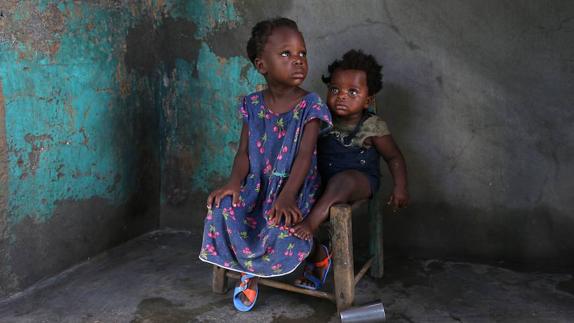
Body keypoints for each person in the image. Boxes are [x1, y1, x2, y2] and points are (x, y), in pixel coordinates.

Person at [199, 17, 332, 311]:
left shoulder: (311, 105)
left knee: (279, 223)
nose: (298, 61)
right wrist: (234, 183)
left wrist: (287, 195)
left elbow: (305, 156)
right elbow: (244, 152)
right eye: (286, 54)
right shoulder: (252, 104)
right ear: (262, 65)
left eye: (302, 53)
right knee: (223, 207)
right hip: (257, 185)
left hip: (295, 187)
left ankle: (314, 256)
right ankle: (250, 271)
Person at [291, 50, 409, 290]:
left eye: (352, 92)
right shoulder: (320, 118)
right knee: (295, 188)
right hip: (324, 179)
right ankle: (314, 253)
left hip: (360, 180)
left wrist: (400, 187)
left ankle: (312, 224)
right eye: (335, 90)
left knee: (343, 181)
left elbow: (394, 157)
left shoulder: (372, 125)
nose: (341, 97)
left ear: (367, 99)